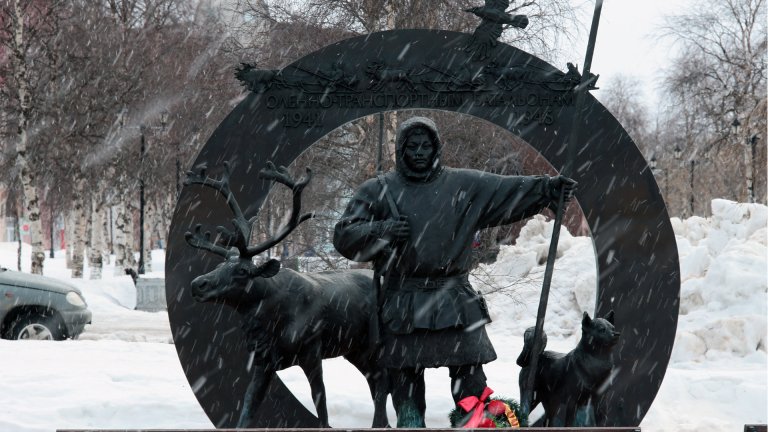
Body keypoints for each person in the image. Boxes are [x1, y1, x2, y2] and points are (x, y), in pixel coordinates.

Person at [333, 116, 576, 427]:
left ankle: (474, 424)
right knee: (406, 390)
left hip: (455, 302)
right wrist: (383, 229)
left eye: (425, 145)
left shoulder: (464, 185)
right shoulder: (378, 190)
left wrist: (547, 188)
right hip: (404, 302)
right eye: (412, 146)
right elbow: (344, 234)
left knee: (471, 384)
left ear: (436, 147)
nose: (419, 152)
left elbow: (506, 190)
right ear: (400, 149)